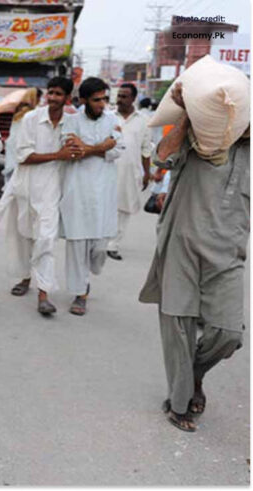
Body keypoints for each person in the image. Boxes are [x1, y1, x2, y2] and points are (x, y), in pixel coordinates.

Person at [139, 82, 248, 433]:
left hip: (229, 252)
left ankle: (195, 372)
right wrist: (188, 115)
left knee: (228, 333)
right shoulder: (201, 138)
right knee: (179, 326)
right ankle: (180, 400)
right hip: (182, 243)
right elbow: (160, 157)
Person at [0, 78, 76, 316]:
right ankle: (25, 277)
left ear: (67, 98)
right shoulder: (31, 119)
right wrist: (59, 155)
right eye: (50, 92)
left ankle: (43, 294)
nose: (52, 97)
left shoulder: (71, 123)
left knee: (46, 239)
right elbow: (23, 156)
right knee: (24, 236)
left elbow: (75, 150)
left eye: (58, 94)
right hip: (27, 186)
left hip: (52, 190)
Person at [59, 77, 122, 316]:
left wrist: (88, 148)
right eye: (97, 100)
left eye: (105, 99)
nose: (102, 104)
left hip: (103, 190)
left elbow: (117, 148)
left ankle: (90, 273)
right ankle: (80, 293)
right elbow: (72, 150)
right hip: (77, 190)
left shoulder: (112, 120)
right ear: (83, 100)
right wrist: (100, 147)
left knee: (98, 248)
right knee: (77, 244)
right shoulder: (71, 121)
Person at [106, 83, 152, 260]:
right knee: (106, 206)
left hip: (130, 171)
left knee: (124, 208)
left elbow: (146, 149)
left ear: (133, 98)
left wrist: (147, 173)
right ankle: (101, 241)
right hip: (108, 169)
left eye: (124, 96)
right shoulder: (108, 117)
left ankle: (113, 245)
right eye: (119, 96)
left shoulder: (143, 121)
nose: (120, 99)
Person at [1, 87, 41, 185]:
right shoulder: (33, 114)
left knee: (11, 173)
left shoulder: (18, 112)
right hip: (22, 145)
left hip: (12, 143)